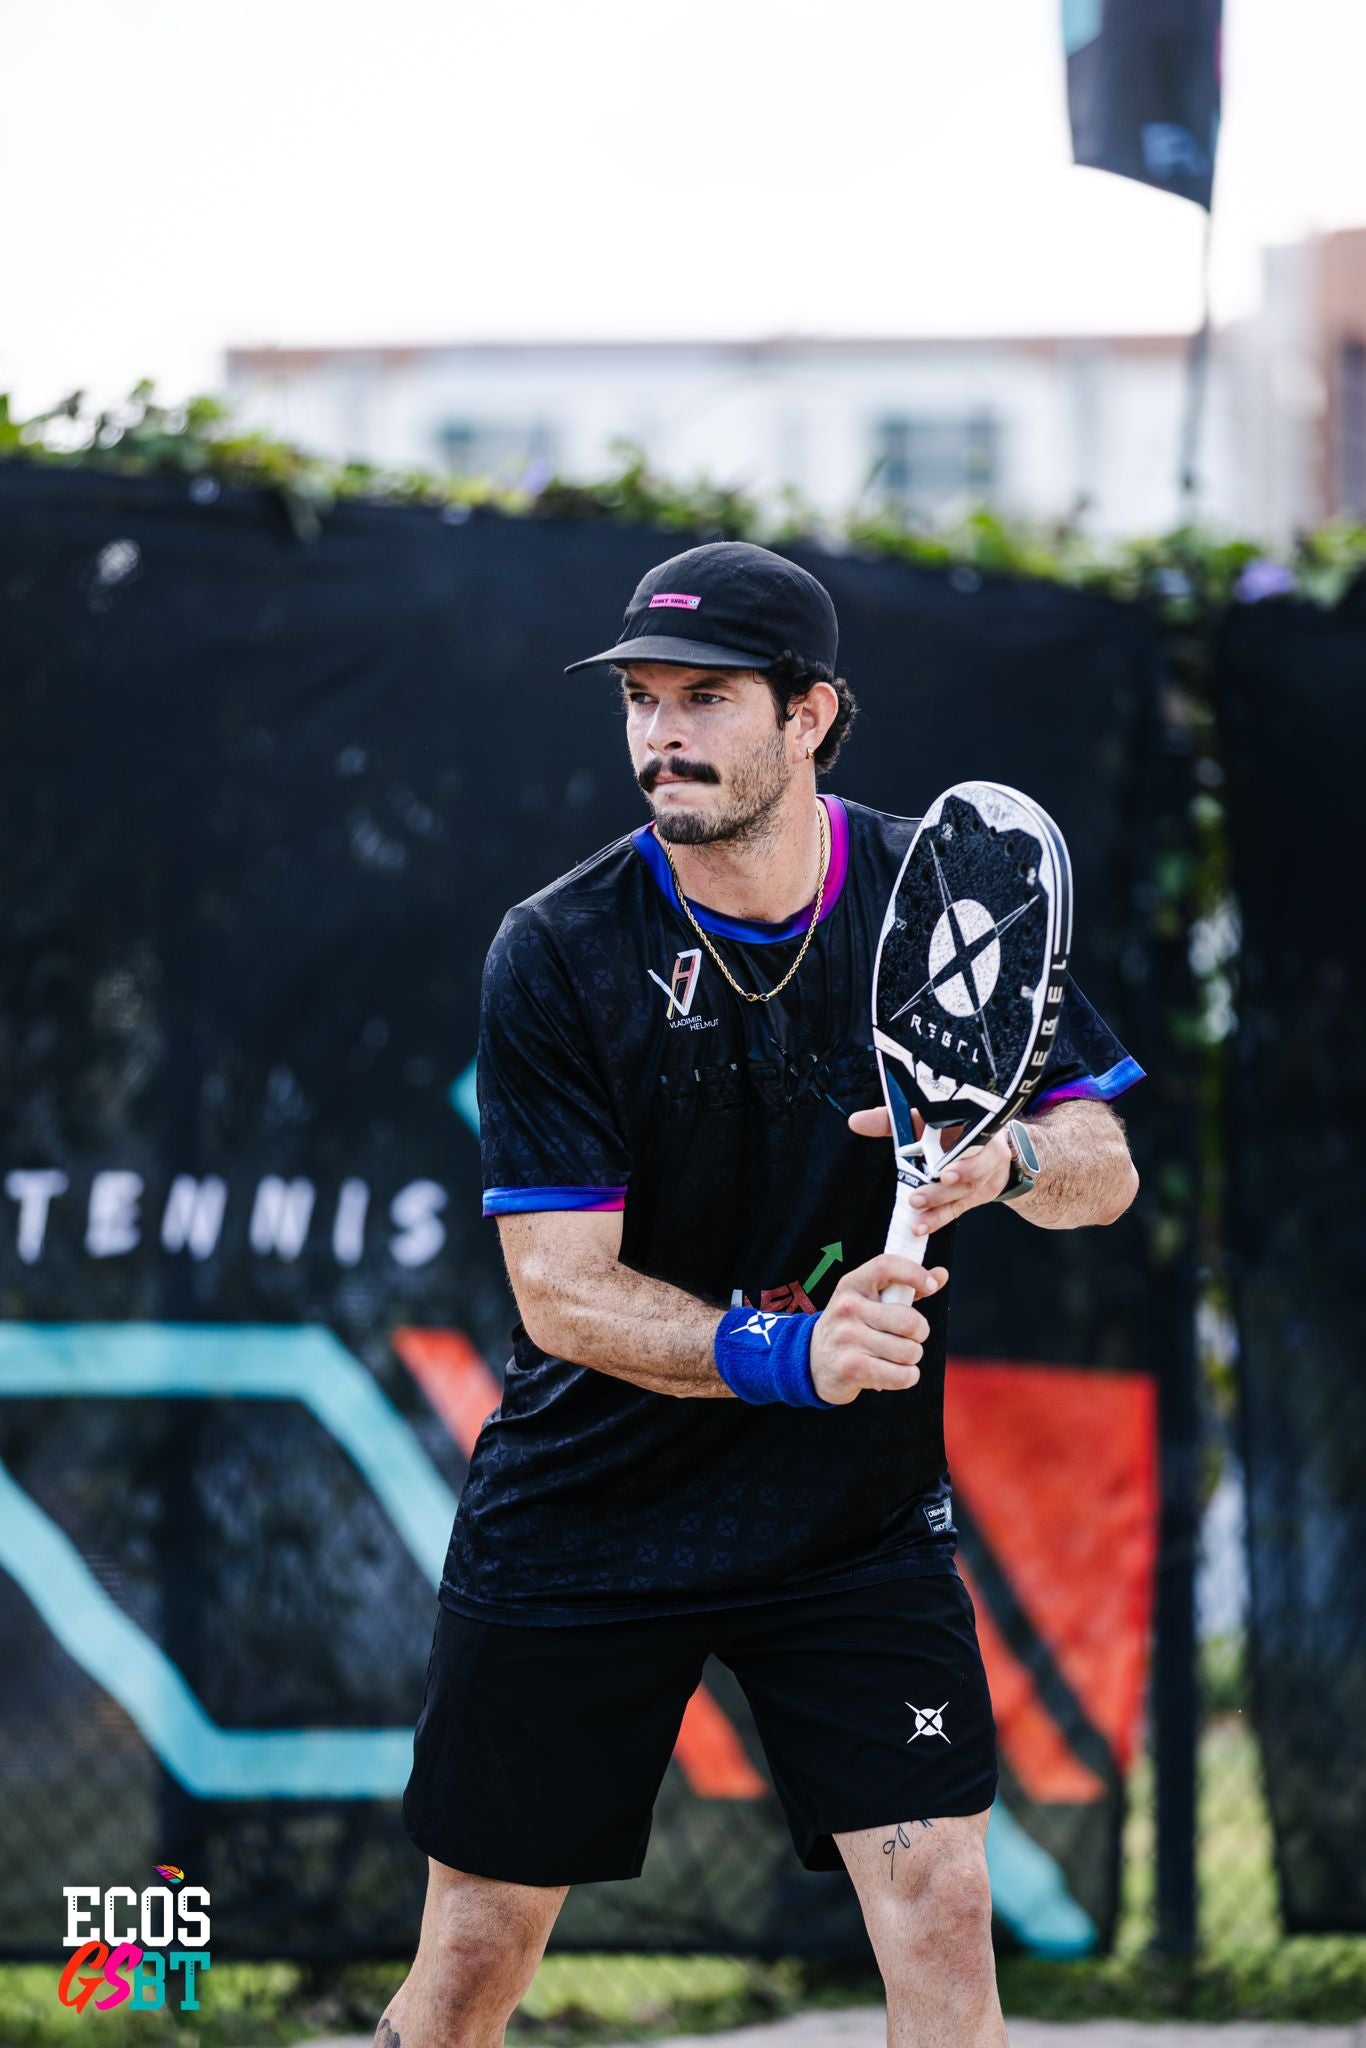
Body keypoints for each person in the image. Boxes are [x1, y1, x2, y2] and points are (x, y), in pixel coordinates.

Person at [380, 542, 1141, 2048]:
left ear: (809, 716)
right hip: (586, 1513)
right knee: (472, 1960)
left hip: (844, 1527)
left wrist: (1000, 1166)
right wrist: (791, 1354)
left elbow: (1102, 1162)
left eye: (707, 698)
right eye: (643, 701)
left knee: (939, 1908)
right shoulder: (558, 948)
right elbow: (560, 1295)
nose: (662, 732)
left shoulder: (947, 902)